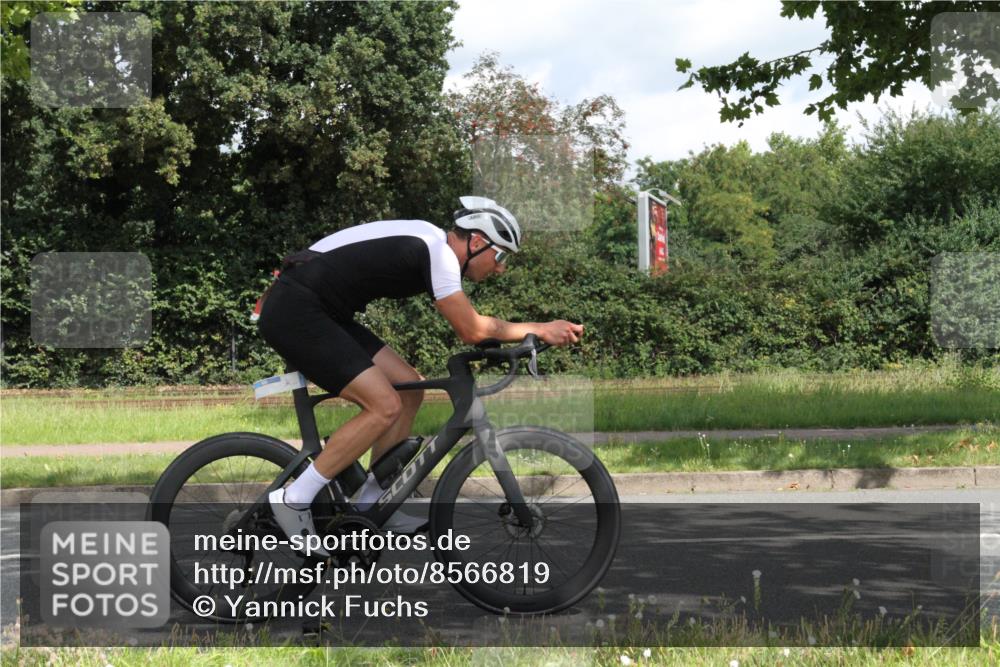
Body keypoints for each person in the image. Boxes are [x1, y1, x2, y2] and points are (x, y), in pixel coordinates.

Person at [256, 196, 583, 553]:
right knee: (384, 405)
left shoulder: (430, 244)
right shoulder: (439, 252)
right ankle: (294, 498)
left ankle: (372, 503)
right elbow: (471, 329)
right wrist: (540, 328)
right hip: (298, 310)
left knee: (409, 390)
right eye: (501, 255)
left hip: (324, 311)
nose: (500, 268)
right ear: (477, 242)